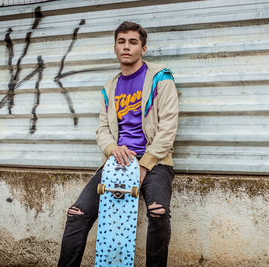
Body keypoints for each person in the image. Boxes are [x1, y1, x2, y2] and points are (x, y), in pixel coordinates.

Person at [58, 21, 179, 267]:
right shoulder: (109, 87)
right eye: (121, 42)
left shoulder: (161, 79)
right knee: (76, 214)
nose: (126, 47)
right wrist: (112, 149)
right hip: (117, 163)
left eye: (133, 42)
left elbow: (168, 127)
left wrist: (144, 166)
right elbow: (102, 129)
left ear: (143, 48)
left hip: (155, 162)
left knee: (158, 213)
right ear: (114, 47)